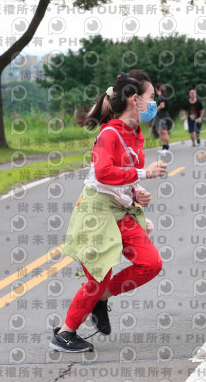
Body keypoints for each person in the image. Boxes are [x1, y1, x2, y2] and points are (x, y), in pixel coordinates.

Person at [50, 70, 167, 353]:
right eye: (151, 97)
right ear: (134, 99)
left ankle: (101, 299)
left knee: (151, 264)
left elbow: (123, 176)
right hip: (96, 211)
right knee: (97, 277)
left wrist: (137, 193)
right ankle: (65, 333)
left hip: (121, 211)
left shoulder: (134, 134)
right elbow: (103, 173)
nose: (155, 103)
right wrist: (144, 173)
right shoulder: (109, 133)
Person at [152, 83, 173, 151]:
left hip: (163, 116)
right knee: (160, 132)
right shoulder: (161, 96)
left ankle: (167, 148)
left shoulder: (162, 96)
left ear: (157, 89)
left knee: (164, 132)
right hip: (160, 116)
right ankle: (164, 147)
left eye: (155, 90)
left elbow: (162, 105)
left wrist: (156, 109)